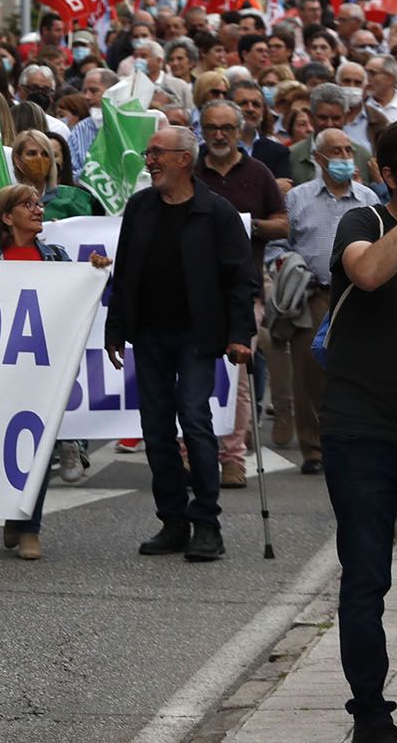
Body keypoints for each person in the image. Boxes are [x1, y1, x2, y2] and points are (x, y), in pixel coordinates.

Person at [103, 125, 256, 563]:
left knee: (194, 419)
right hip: (149, 335)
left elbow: (240, 281)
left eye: (157, 153)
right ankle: (173, 520)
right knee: (155, 429)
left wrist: (238, 335)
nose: (149, 160)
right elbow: (126, 272)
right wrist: (116, 330)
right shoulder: (140, 208)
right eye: (149, 153)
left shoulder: (217, 213)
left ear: (184, 159)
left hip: (197, 337)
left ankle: (206, 521)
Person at [319, 117, 397, 743]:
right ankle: (371, 717)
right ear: (387, 174)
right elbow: (370, 273)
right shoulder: (366, 223)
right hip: (362, 432)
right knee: (367, 577)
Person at [0, 185, 113, 560]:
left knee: (38, 448)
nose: (38, 210)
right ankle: (12, 511)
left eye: (38, 204)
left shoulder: (56, 257)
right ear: (7, 217)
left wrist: (92, 272)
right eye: (27, 205)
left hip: (42, 370)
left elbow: (75, 300)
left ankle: (30, 527)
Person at [193, 98, 289, 489]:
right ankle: (191, 454)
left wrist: (249, 227)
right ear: (202, 129)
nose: (219, 135)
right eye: (212, 127)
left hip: (242, 289)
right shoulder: (190, 170)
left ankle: (233, 457)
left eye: (227, 128)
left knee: (238, 376)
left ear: (240, 130)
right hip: (192, 290)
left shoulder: (258, 173)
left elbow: (283, 224)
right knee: (191, 373)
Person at [277, 128, 377, 477]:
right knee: (310, 373)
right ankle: (314, 449)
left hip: (357, 295)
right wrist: (285, 265)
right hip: (313, 294)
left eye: (349, 150)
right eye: (337, 151)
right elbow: (280, 244)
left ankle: (358, 440)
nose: (345, 157)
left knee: (357, 370)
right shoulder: (298, 199)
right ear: (319, 159)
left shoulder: (367, 198)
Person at [9, 129, 99, 220]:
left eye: (45, 154)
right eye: (32, 153)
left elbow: (87, 230)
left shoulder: (73, 198)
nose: (39, 158)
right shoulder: (8, 201)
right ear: (17, 160)